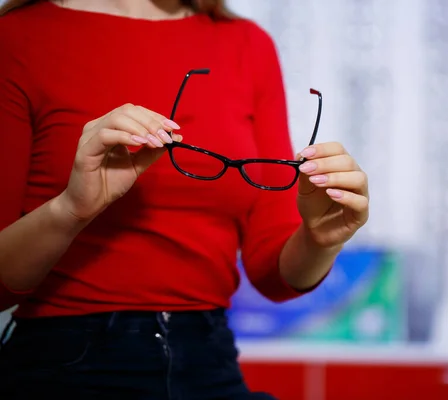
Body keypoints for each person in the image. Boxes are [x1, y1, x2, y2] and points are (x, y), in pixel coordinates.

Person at [0, 0, 369, 398]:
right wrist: (70, 209)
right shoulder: (19, 39)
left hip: (210, 359)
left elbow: (273, 274)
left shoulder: (247, 44)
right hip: (62, 366)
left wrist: (321, 239)